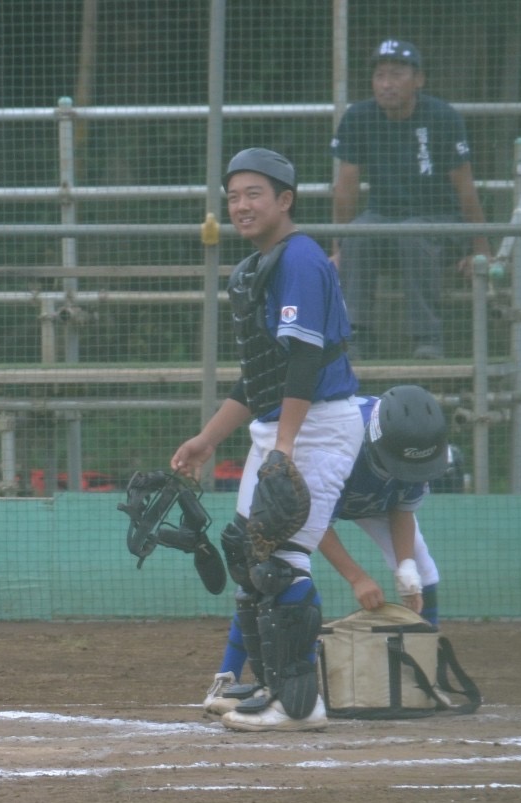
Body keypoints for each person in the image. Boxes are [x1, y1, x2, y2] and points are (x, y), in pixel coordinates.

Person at [170, 148, 360, 733]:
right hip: (284, 426)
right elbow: (262, 375)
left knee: (281, 560)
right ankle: (271, 683)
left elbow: (304, 360)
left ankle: (300, 704)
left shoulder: (299, 258)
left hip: (317, 425)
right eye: (233, 196)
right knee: (249, 555)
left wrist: (285, 444)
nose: (241, 205)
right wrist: (208, 440)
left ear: (285, 200)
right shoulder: (264, 263)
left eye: (254, 193)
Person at [203, 385, 451, 720]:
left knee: (423, 569)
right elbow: (313, 525)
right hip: (317, 490)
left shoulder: (417, 447)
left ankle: (427, 676)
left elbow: (402, 508)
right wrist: (357, 577)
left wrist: (406, 568)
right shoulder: (340, 443)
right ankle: (228, 678)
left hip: (372, 500)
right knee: (266, 572)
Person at [330, 39, 492, 361]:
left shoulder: (443, 117)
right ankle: (356, 336)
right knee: (359, 235)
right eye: (380, 75)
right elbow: (345, 188)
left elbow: (465, 188)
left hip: (440, 224)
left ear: (419, 79)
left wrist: (480, 248)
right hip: (383, 220)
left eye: (396, 74)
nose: (386, 84)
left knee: (412, 232)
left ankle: (427, 338)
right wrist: (338, 249)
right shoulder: (358, 117)